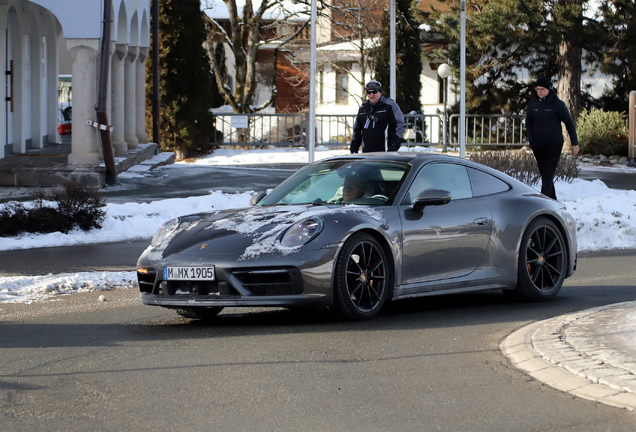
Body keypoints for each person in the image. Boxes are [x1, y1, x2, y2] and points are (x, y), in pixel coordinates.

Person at [526, 77, 580, 200]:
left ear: (548, 90)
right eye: (537, 89)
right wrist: (532, 140)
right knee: (545, 175)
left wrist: (574, 143)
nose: (539, 92)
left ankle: (543, 201)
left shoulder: (558, 105)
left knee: (548, 174)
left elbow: (569, 123)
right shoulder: (533, 104)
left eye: (542, 89)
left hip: (554, 144)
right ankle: (553, 200)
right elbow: (529, 123)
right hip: (538, 144)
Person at [350, 80, 406, 153]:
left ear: (380, 92)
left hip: (385, 151)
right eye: (369, 92)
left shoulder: (390, 106)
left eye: (374, 92)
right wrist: (354, 147)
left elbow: (399, 124)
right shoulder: (363, 109)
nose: (371, 95)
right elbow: (357, 129)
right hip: (367, 152)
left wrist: (394, 145)